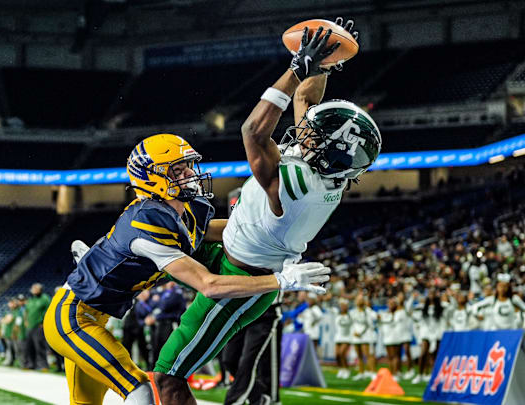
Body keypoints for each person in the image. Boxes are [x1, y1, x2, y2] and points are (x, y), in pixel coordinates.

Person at [153, 19, 381, 404]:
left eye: (315, 134)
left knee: (168, 378)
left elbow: (253, 131)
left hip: (238, 280)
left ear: (328, 150)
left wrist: (296, 69)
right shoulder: (329, 171)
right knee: (150, 234)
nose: (305, 131)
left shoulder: (298, 185)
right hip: (234, 245)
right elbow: (306, 104)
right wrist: (322, 64)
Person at [44, 133, 327, 405]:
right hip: (73, 318)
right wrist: (281, 280)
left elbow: (233, 232)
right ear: (152, 179)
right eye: (176, 171)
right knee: (139, 388)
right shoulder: (147, 224)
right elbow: (210, 285)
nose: (189, 175)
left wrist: (282, 237)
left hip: (96, 313)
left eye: (188, 166)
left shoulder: (181, 210)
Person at [24, 283, 53, 370]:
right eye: (33, 288)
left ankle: (43, 365)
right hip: (30, 326)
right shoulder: (31, 300)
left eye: (36, 288)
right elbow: (26, 311)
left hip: (38, 326)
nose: (34, 290)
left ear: (40, 289)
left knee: (39, 346)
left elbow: (49, 310)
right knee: (29, 346)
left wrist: (44, 322)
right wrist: (25, 321)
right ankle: (31, 364)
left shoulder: (45, 298)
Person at [334, 298, 352, 379]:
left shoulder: (350, 315)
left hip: (347, 337)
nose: (342, 307)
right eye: (341, 306)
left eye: (344, 306)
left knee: (342, 353)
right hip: (338, 336)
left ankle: (346, 369)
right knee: (337, 355)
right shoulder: (338, 314)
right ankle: (341, 369)